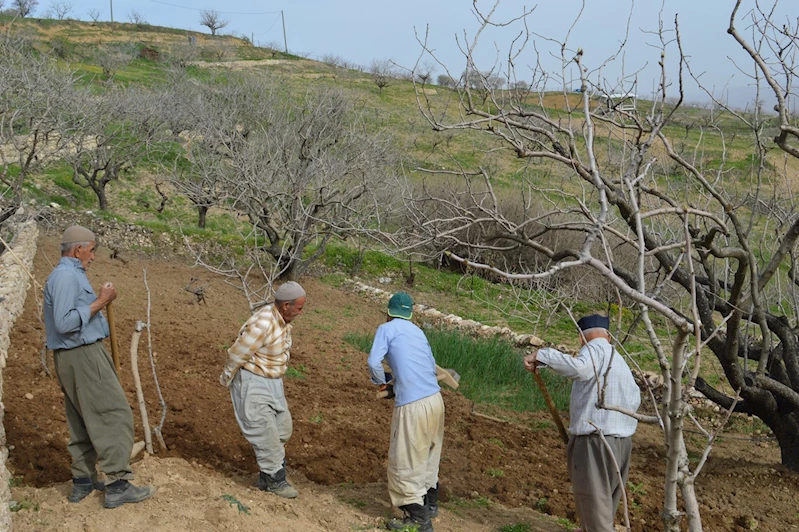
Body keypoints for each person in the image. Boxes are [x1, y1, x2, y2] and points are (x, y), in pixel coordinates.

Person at [43, 225, 157, 508]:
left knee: (82, 419)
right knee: (113, 414)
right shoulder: (66, 276)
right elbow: (65, 323)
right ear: (78, 250)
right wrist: (102, 301)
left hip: (70, 357)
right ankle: (118, 484)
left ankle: (83, 481)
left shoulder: (66, 274)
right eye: (91, 250)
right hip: (83, 354)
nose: (93, 256)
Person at [523, 314, 641, 532]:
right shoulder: (618, 359)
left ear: (580, 337)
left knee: (593, 496)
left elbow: (580, 368)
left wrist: (542, 354)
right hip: (622, 442)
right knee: (605, 498)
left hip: (595, 440)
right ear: (608, 336)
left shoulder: (594, 350)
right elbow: (635, 399)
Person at [220, 281, 307, 499]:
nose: (301, 312)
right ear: (286, 305)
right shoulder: (264, 323)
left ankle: (267, 474)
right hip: (253, 381)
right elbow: (237, 353)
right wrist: (228, 377)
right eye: (299, 308)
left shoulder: (282, 320)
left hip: (273, 382)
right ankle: (275, 480)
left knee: (282, 429)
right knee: (264, 431)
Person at [367, 291, 444, 532]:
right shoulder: (418, 332)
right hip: (435, 400)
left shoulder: (386, 329)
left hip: (413, 406)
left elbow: (373, 362)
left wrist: (382, 381)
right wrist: (397, 384)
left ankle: (418, 518)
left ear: (389, 313)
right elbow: (430, 366)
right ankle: (430, 504)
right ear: (410, 314)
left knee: (406, 459)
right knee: (429, 455)